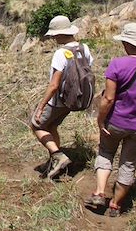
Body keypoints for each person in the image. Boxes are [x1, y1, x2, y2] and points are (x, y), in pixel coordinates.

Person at [86, 23, 136, 217]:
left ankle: (99, 192)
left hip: (116, 121)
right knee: (129, 164)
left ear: (125, 42)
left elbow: (108, 98)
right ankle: (115, 204)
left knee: (106, 152)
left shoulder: (117, 64)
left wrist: (100, 120)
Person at [31, 15, 94, 179]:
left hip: (58, 100)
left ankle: (58, 156)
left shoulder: (61, 53)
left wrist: (41, 106)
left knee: (37, 125)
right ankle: (54, 161)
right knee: (51, 127)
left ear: (59, 34)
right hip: (74, 99)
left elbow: (54, 85)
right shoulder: (84, 48)